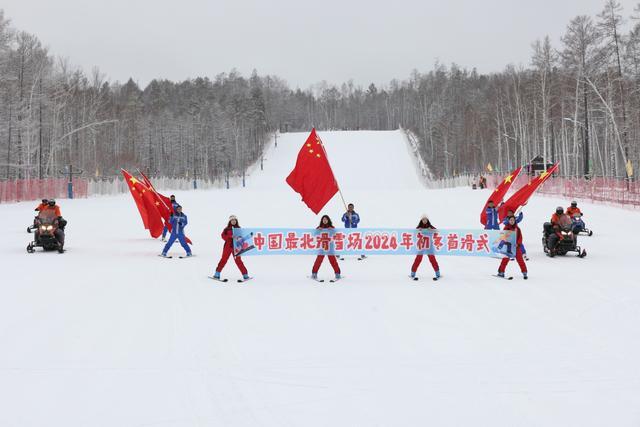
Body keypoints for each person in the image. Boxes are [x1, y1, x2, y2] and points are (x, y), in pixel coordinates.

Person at [213, 215, 249, 280]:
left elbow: (242, 237)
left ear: (236, 221)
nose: (233, 221)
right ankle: (217, 273)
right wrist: (230, 236)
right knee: (223, 259)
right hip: (228, 246)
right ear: (230, 221)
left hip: (237, 247)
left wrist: (238, 238)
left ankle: (245, 274)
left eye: (234, 220)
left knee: (238, 261)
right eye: (232, 220)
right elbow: (223, 236)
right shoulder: (226, 229)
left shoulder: (239, 228)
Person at [410, 214, 440, 280]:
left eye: (426, 219)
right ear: (421, 220)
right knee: (418, 259)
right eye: (423, 219)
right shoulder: (419, 227)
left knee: (432, 259)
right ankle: (412, 273)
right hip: (421, 246)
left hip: (429, 246)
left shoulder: (430, 226)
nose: (424, 220)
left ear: (427, 220)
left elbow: (437, 231)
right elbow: (413, 233)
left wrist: (431, 230)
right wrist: (418, 230)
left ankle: (438, 273)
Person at [311, 215, 341, 280]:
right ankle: (314, 273)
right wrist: (318, 230)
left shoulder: (332, 227)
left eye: (326, 219)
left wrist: (332, 230)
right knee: (318, 260)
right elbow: (314, 235)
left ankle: (337, 274)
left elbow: (336, 235)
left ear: (328, 220)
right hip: (322, 247)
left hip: (330, 247)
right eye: (323, 219)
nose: (324, 220)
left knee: (333, 261)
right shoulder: (319, 227)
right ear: (322, 220)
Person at [498, 215, 528, 279]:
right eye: (511, 220)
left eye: (513, 220)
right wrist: (501, 245)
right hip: (508, 247)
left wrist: (518, 244)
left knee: (520, 260)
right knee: (505, 260)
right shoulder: (506, 228)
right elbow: (503, 237)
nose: (512, 221)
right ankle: (501, 272)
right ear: (508, 221)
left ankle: (524, 272)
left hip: (516, 247)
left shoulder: (517, 228)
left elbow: (520, 237)